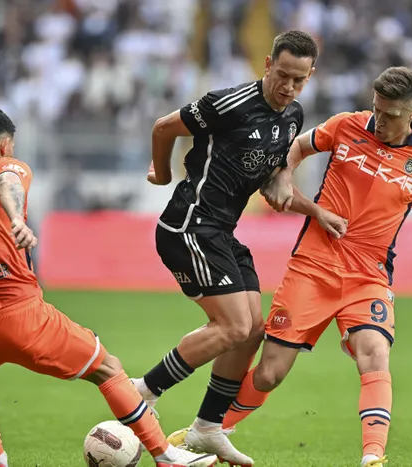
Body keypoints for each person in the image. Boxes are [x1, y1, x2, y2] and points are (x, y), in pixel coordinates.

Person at [0, 107, 217, 467]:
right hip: (20, 315)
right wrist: (16, 218)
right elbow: (6, 183)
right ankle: (166, 456)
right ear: (5, 144)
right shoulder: (9, 167)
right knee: (108, 368)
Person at [208, 66, 412, 467]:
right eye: (376, 109)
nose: (379, 121)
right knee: (269, 374)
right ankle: (209, 431)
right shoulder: (346, 125)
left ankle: (373, 456)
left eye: (390, 115)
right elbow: (298, 146)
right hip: (313, 267)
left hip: (369, 276)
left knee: (375, 353)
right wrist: (284, 174)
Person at [132, 31, 343, 466]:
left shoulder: (292, 116)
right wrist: (162, 173)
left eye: (299, 80)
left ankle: (208, 428)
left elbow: (271, 184)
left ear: (310, 77)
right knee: (232, 326)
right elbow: (163, 127)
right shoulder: (228, 104)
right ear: (267, 64)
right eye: (282, 75)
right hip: (188, 225)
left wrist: (312, 208)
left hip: (222, 233)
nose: (288, 87)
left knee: (251, 331)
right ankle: (141, 393)